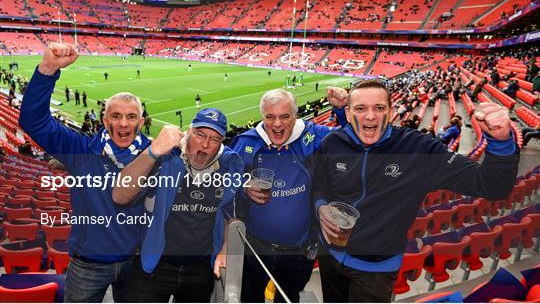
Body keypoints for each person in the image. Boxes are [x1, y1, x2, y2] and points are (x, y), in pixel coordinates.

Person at [312, 79, 519, 302]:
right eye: (360, 108)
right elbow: (320, 184)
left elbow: (491, 185)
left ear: (391, 111)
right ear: (349, 112)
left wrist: (500, 143)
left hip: (376, 270)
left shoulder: (419, 149)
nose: (370, 116)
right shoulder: (333, 142)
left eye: (379, 108)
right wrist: (320, 205)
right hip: (329, 257)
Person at [19, 43, 151, 302]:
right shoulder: (80, 149)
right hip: (88, 263)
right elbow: (33, 121)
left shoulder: (156, 154)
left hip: (137, 263)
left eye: (131, 116)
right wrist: (47, 69)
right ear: (104, 121)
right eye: (116, 116)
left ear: (141, 122)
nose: (123, 123)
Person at [112, 108, 243, 302]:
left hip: (199, 270)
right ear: (188, 132)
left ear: (221, 143)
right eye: (200, 134)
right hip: (153, 266)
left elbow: (229, 214)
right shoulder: (165, 158)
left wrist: (225, 247)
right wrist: (153, 151)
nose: (205, 144)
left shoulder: (227, 166)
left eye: (214, 139)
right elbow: (120, 196)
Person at [230, 88, 347, 303]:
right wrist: (244, 189)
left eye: (285, 116)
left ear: (296, 116)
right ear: (262, 117)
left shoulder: (313, 137)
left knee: (288, 298)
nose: (277, 124)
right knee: (249, 297)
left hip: (298, 251)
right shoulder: (246, 142)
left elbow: (351, 140)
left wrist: (340, 110)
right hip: (254, 248)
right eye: (270, 117)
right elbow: (227, 183)